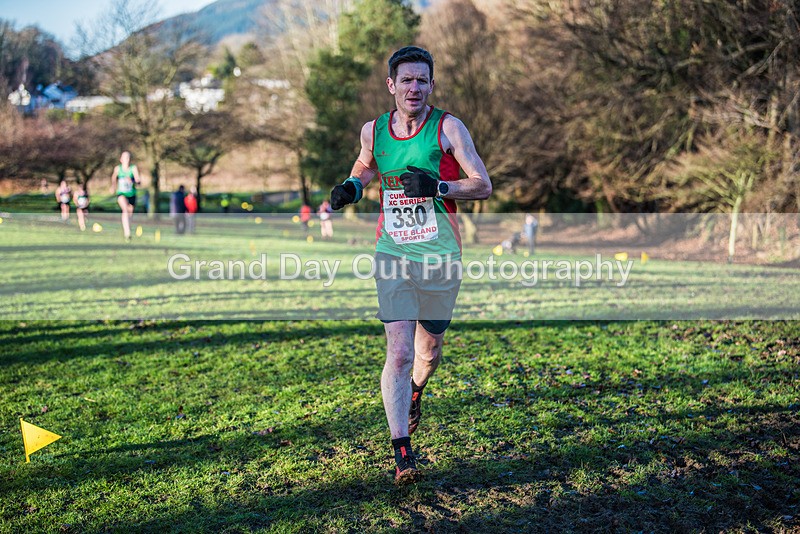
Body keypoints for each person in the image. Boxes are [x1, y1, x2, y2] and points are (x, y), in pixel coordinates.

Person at [329, 46, 492, 484]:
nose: (414, 88)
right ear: (391, 86)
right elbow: (366, 165)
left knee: (428, 350)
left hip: (440, 256)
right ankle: (403, 455)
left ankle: (417, 392)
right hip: (393, 253)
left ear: (431, 85)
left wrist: (438, 185)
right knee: (399, 352)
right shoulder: (375, 130)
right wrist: (351, 186)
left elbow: (482, 185)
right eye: (407, 81)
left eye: (422, 81)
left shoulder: (449, 128)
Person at [110, 151, 140, 241]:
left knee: (130, 212)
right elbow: (113, 178)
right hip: (121, 193)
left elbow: (138, 181)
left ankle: (128, 229)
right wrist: (113, 187)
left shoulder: (133, 168)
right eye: (125, 157)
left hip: (132, 194)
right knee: (125, 209)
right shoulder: (118, 169)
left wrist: (132, 180)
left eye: (128, 157)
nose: (127, 159)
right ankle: (127, 233)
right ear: (121, 159)